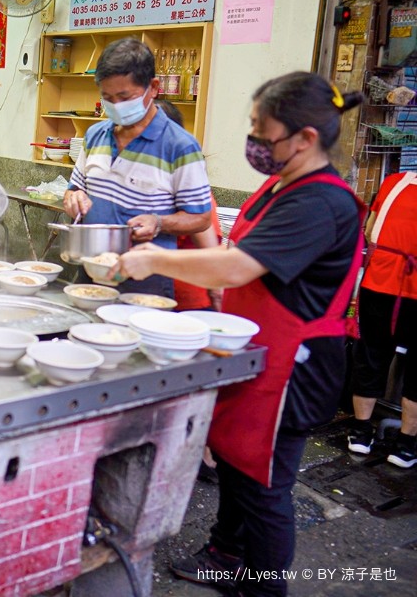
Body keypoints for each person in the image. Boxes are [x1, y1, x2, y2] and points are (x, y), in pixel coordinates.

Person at [111, 72, 365, 597]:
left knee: (267, 487)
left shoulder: (320, 202)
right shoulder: (282, 185)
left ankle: (264, 588)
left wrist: (151, 257)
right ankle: (227, 553)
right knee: (233, 460)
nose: (253, 141)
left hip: (293, 368)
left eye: (260, 131)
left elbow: (236, 267)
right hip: (252, 349)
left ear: (304, 139)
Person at [62, 38, 212, 298]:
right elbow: (75, 187)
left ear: (153, 88)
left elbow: (201, 218)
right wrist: (73, 197)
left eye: (124, 96)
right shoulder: (95, 134)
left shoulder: (180, 146)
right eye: (108, 97)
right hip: (91, 271)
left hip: (145, 282)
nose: (116, 105)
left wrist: (159, 222)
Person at [347, 171, 417, 468]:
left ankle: (360, 433)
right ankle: (406, 446)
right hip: (408, 288)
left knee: (372, 353)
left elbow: (370, 229)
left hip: (380, 282)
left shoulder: (394, 182)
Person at [155, 99, 223, 311]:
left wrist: (217, 294)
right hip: (153, 295)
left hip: (187, 303)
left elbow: (211, 252)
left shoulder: (188, 185)